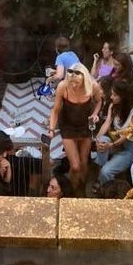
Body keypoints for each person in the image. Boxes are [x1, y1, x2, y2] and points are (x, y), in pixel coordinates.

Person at [47, 62, 102, 196]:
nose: (73, 85)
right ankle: (70, 190)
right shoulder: (63, 87)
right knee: (75, 166)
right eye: (71, 81)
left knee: (84, 163)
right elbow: (55, 110)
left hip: (85, 125)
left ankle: (81, 188)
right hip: (68, 127)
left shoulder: (93, 86)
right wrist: (51, 129)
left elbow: (100, 101)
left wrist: (95, 114)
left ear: (84, 79)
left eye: (76, 82)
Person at [94, 79, 133, 188]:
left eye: (114, 95)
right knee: (102, 140)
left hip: (127, 149)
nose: (111, 97)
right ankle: (101, 174)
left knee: (106, 171)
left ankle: (105, 182)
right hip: (115, 143)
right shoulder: (114, 107)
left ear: (123, 97)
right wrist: (97, 139)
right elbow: (107, 123)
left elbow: (126, 136)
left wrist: (111, 145)